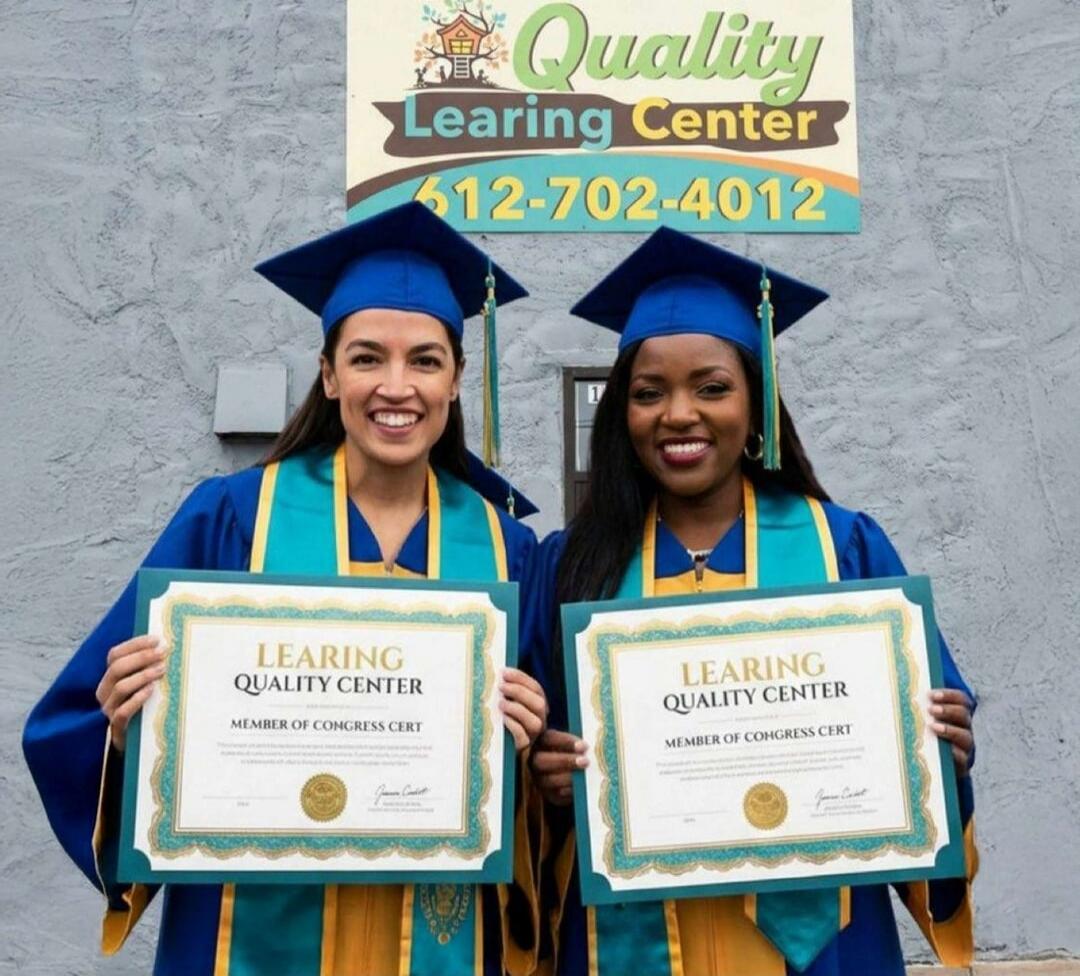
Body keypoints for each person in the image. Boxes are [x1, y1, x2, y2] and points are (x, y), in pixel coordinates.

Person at [23, 202, 549, 976]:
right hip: (251, 934)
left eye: (425, 361)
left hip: (441, 935)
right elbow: (73, 728)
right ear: (329, 375)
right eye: (366, 359)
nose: (395, 386)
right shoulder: (232, 519)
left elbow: (540, 794)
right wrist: (128, 735)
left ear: (457, 379)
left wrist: (530, 751)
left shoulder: (507, 551)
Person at [523, 227, 978, 976]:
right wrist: (547, 778)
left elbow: (924, 770)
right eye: (648, 393)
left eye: (712, 387)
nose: (678, 414)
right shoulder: (572, 567)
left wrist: (945, 754)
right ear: (621, 414)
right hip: (628, 939)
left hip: (823, 946)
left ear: (756, 401)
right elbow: (524, 770)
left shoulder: (843, 549)